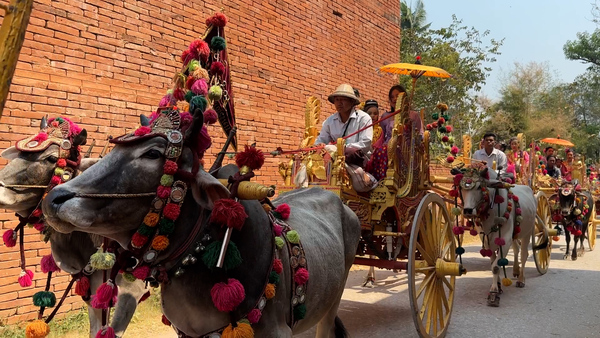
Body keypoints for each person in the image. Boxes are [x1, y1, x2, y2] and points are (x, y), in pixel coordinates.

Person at [316, 84, 376, 192]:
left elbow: (365, 144)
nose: (339, 103)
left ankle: (371, 180)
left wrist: (340, 149)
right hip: (333, 160)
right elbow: (321, 140)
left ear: (352, 102)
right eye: (337, 99)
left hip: (357, 160)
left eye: (343, 99)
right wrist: (319, 146)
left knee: (359, 180)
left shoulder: (363, 118)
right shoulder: (329, 121)